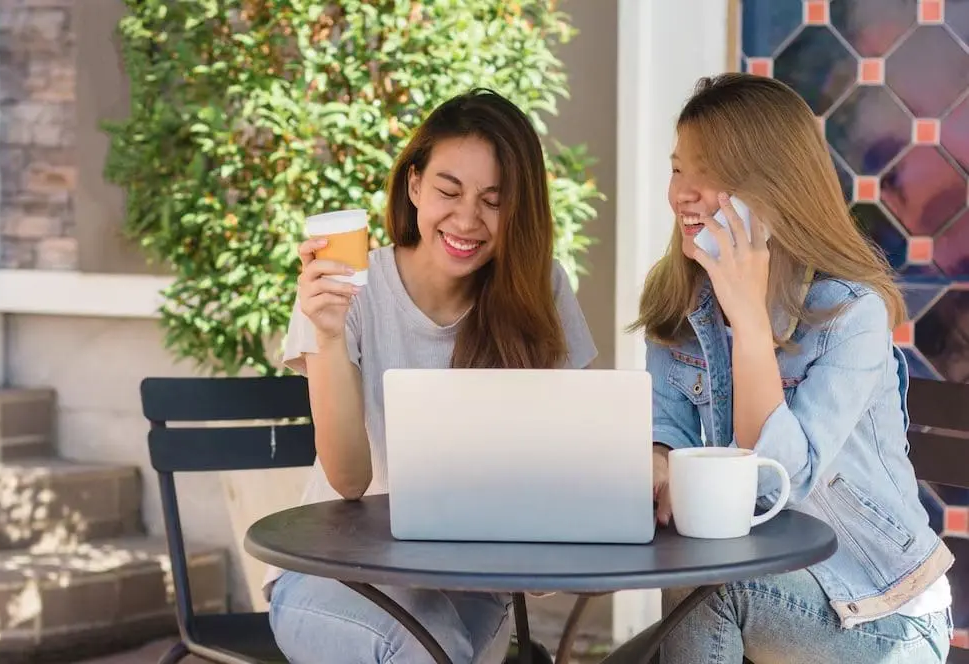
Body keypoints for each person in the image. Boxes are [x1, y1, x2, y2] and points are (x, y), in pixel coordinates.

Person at [266, 88, 598, 664]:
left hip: (470, 583)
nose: (467, 218)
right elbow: (348, 479)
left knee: (442, 648)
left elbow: (573, 450)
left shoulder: (540, 289)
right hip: (339, 574)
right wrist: (327, 335)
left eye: (494, 200)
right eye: (449, 190)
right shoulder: (346, 290)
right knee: (428, 652)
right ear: (414, 184)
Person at [632, 73, 954, 664]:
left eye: (712, 174)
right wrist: (656, 460)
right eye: (679, 169)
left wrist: (749, 320)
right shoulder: (681, 304)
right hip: (754, 590)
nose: (684, 192)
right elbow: (667, 434)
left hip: (879, 610)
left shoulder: (850, 314)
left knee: (709, 585)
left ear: (774, 188)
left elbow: (776, 484)